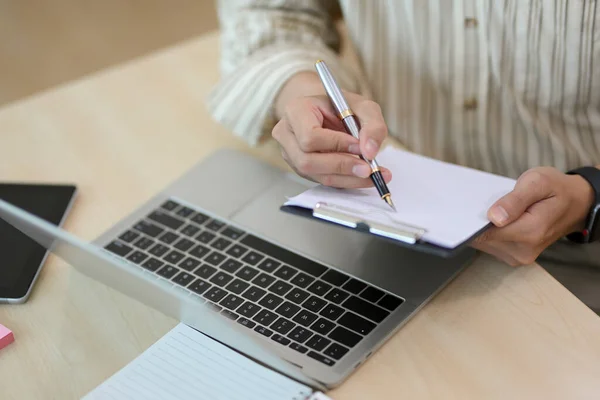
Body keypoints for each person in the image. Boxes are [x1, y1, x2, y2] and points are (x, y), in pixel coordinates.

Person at [207, 1, 600, 278]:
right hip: (392, 239)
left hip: (579, 260)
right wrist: (300, 93)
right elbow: (273, 13)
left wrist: (590, 196)